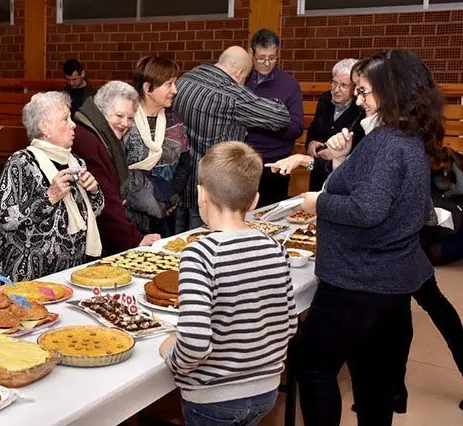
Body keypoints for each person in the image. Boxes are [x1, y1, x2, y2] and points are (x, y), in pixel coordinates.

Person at [295, 49, 445, 426]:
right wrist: (343, 163)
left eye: (364, 92)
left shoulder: (385, 143)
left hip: (358, 281)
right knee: (373, 378)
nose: (358, 101)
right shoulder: (405, 137)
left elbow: (367, 210)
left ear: (389, 92)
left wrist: (321, 202)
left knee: (312, 366)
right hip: (389, 280)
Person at [159, 141, 297, 426]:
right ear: (255, 200)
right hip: (265, 392)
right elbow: (290, 324)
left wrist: (171, 353)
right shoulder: (275, 247)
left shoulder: (200, 253)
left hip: (213, 398)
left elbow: (195, 344)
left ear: (201, 195)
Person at [0, 91, 104, 283]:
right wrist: (49, 197)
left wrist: (93, 191)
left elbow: (96, 211)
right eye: (65, 119)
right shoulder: (21, 162)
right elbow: (7, 219)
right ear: (44, 127)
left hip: (69, 274)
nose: (73, 125)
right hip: (27, 276)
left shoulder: (75, 162)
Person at [173, 46, 290, 232]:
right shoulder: (231, 95)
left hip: (182, 185)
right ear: (239, 73)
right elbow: (281, 117)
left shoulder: (185, 79)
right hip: (216, 191)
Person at [72, 81, 161, 256]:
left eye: (129, 118)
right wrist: (135, 239)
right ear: (101, 111)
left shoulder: (99, 133)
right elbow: (106, 198)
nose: (125, 123)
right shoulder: (88, 141)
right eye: (119, 116)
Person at [123, 55, 191, 237]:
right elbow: (115, 168)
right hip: (131, 217)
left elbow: (185, 162)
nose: (174, 90)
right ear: (147, 88)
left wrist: (170, 197)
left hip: (167, 210)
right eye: (169, 84)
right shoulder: (125, 120)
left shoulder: (173, 119)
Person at [245, 29, 304, 207]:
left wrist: (265, 120)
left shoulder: (289, 84)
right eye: (261, 58)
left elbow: (296, 128)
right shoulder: (241, 78)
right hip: (242, 161)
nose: (267, 63)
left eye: (272, 57)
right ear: (251, 53)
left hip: (275, 163)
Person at [305, 58, 365, 190]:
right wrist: (310, 144)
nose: (336, 89)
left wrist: (337, 154)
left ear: (355, 87)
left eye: (344, 85)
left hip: (344, 177)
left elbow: (361, 146)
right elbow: (313, 131)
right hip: (317, 172)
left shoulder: (362, 108)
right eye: (334, 83)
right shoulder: (325, 100)